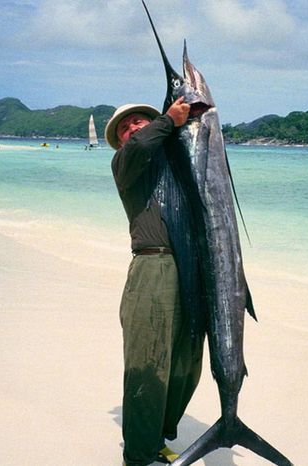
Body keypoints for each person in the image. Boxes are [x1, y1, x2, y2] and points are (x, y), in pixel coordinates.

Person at [106, 97, 204, 466]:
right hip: (153, 266)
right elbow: (144, 144)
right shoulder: (125, 162)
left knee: (186, 362)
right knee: (149, 363)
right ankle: (138, 456)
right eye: (125, 127)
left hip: (191, 269)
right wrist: (166, 120)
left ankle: (156, 438)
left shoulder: (173, 166)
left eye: (138, 121)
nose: (133, 128)